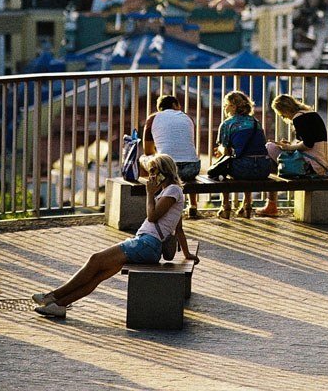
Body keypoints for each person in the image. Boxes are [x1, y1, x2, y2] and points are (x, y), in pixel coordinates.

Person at [32, 154, 199, 319]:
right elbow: (179, 230)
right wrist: (187, 254)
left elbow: (152, 216)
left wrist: (149, 193)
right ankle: (59, 306)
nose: (151, 176)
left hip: (146, 244)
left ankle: (52, 296)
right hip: (145, 244)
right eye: (150, 171)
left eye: (154, 171)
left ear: (165, 172)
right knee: (98, 275)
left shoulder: (172, 191)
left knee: (95, 260)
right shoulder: (170, 192)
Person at [257, 94, 328, 217]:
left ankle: (271, 204)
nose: (283, 117)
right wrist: (290, 146)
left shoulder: (298, 118)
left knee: (269, 148)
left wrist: (289, 148)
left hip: (312, 165)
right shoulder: (311, 114)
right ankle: (271, 204)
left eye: (281, 114)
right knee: (274, 157)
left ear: (284, 110)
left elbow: (308, 144)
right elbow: (311, 141)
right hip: (321, 162)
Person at [212, 90, 272, 219]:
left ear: (233, 106)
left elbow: (227, 151)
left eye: (225, 105)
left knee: (223, 165)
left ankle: (225, 206)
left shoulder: (228, 123)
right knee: (245, 158)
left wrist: (221, 150)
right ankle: (247, 204)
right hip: (263, 168)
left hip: (243, 169)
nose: (224, 107)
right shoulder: (256, 122)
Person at [144, 94, 201, 219]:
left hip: (167, 170)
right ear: (175, 105)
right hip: (191, 169)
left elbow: (148, 151)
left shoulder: (153, 118)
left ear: (160, 108)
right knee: (187, 156)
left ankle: (154, 201)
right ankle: (193, 205)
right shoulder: (187, 118)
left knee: (144, 159)